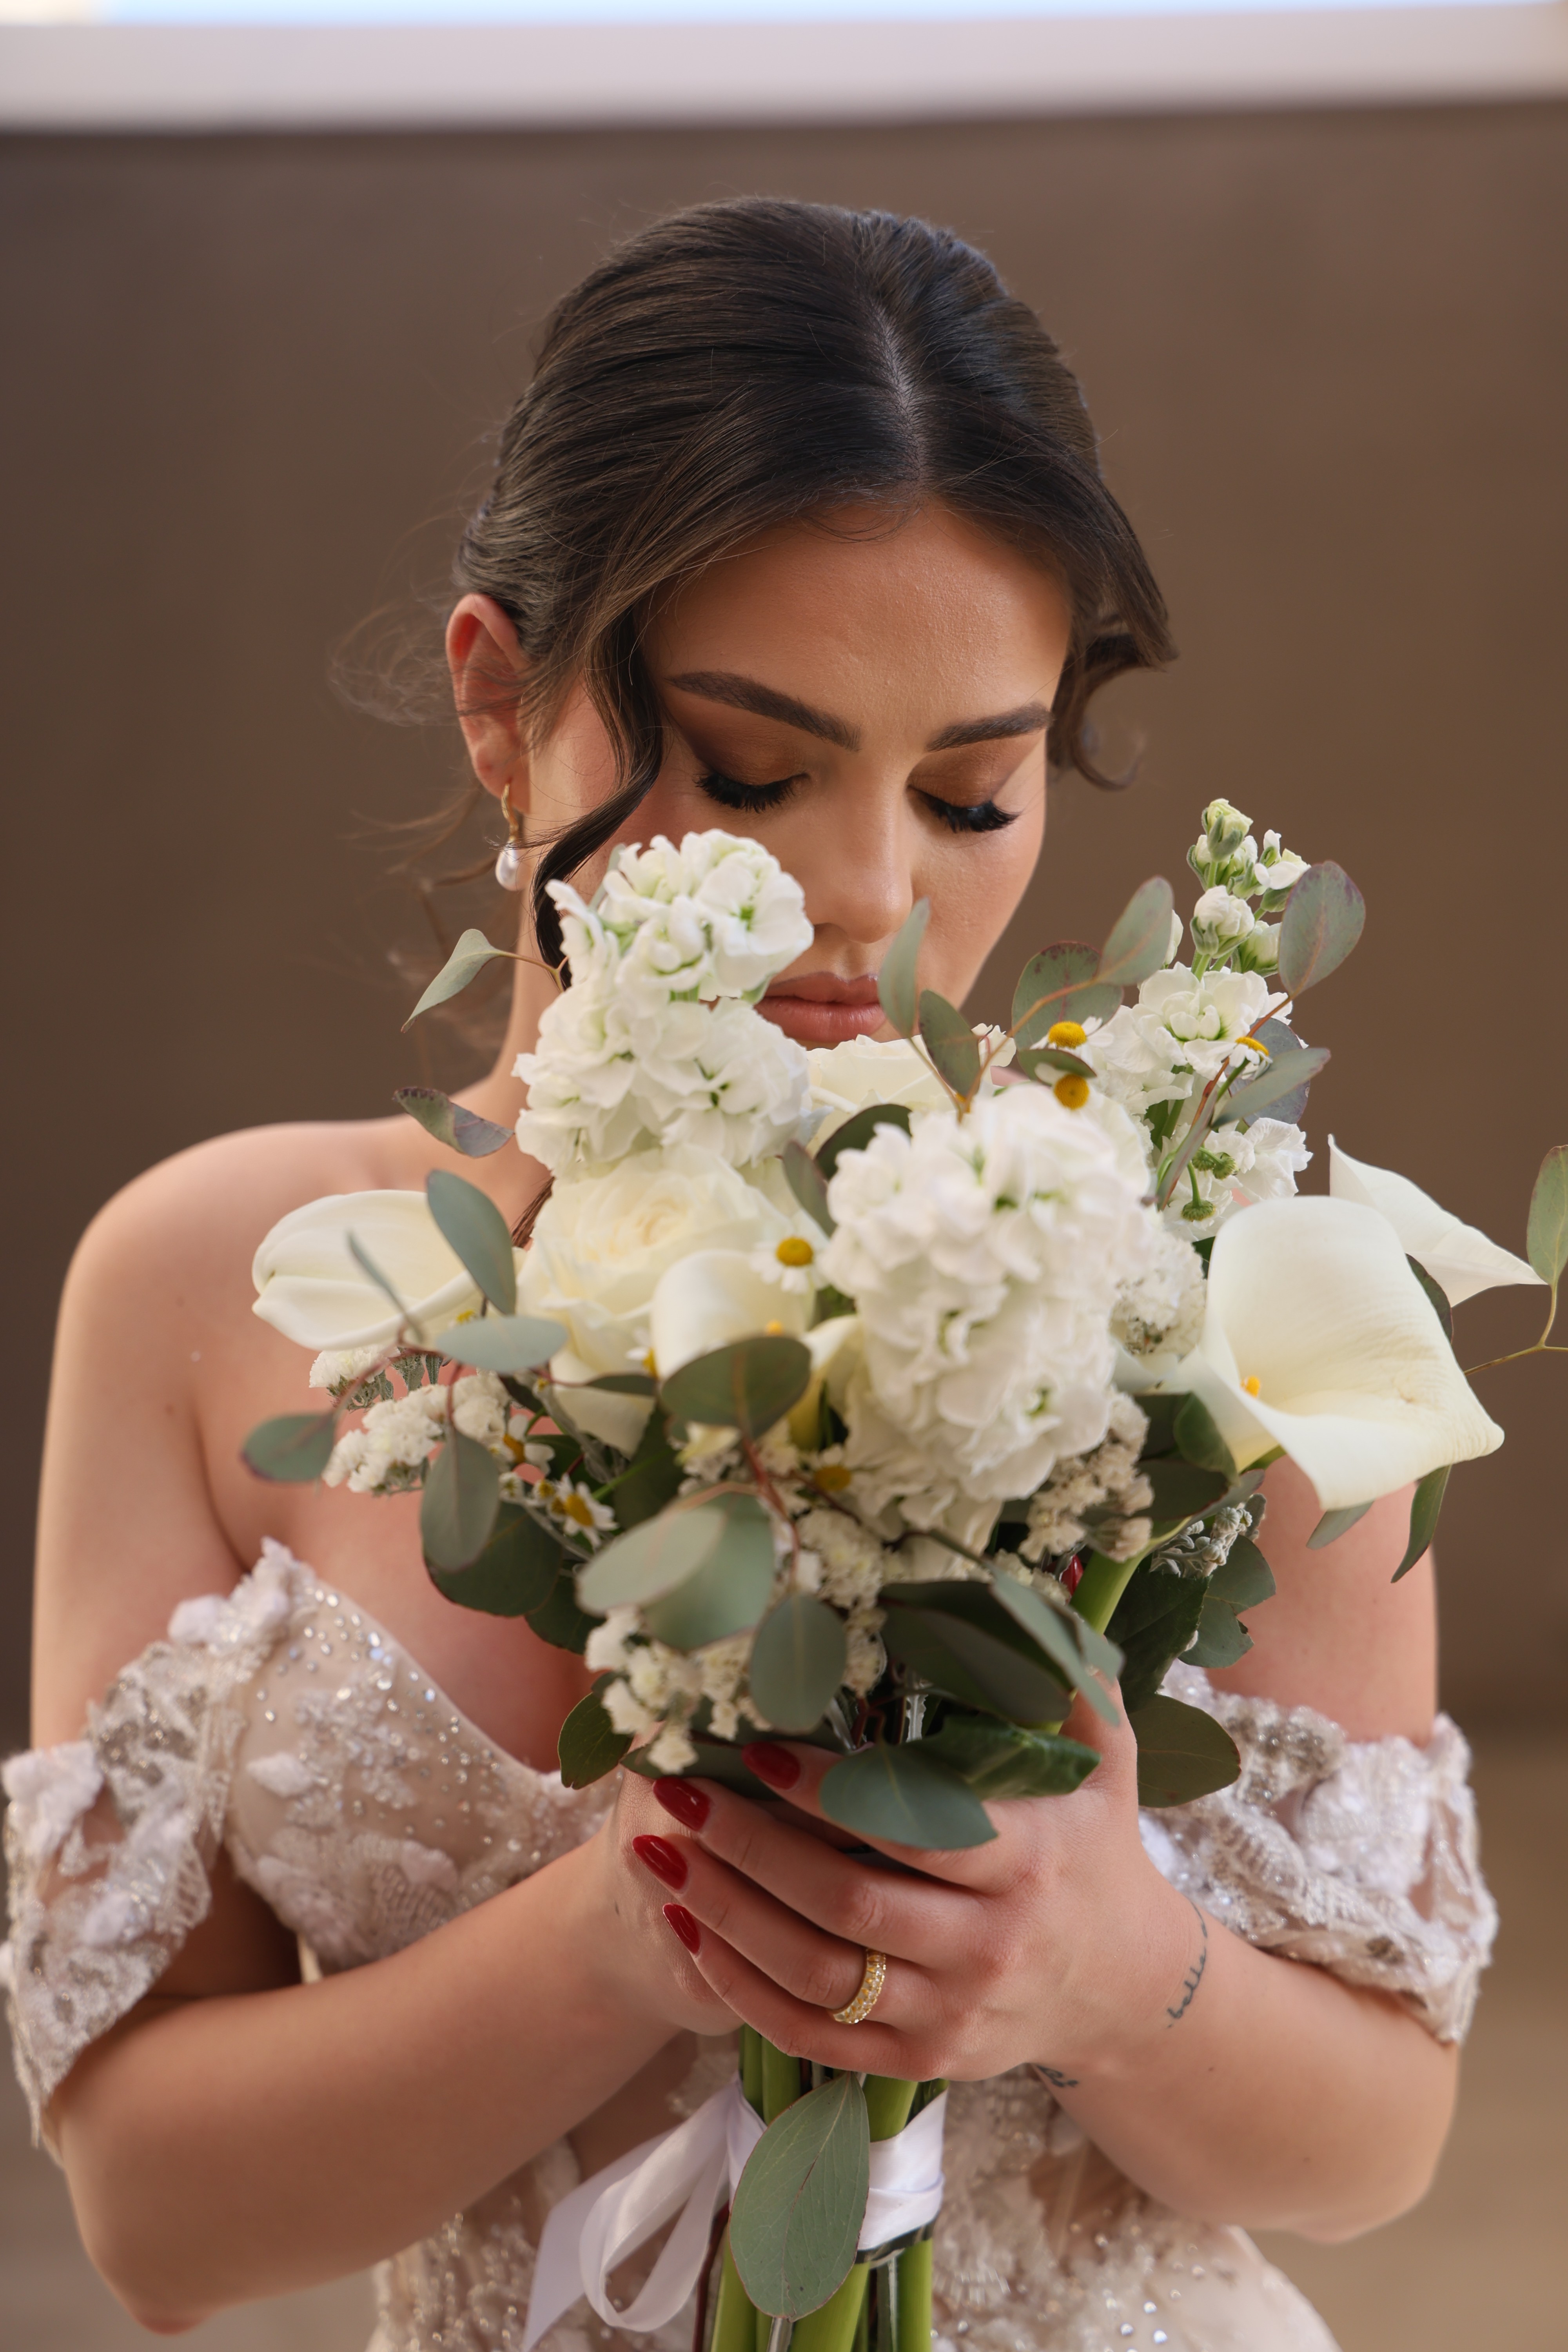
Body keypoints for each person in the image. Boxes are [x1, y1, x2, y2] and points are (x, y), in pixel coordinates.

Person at [4, 200, 1493, 2352]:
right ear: (502, 706)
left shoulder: (1218, 1286)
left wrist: (1105, 1968)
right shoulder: (208, 1287)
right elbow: (154, 2220)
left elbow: (1378, 2147)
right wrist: (628, 1934)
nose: (868, 897)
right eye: (756, 769)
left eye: (976, 794)